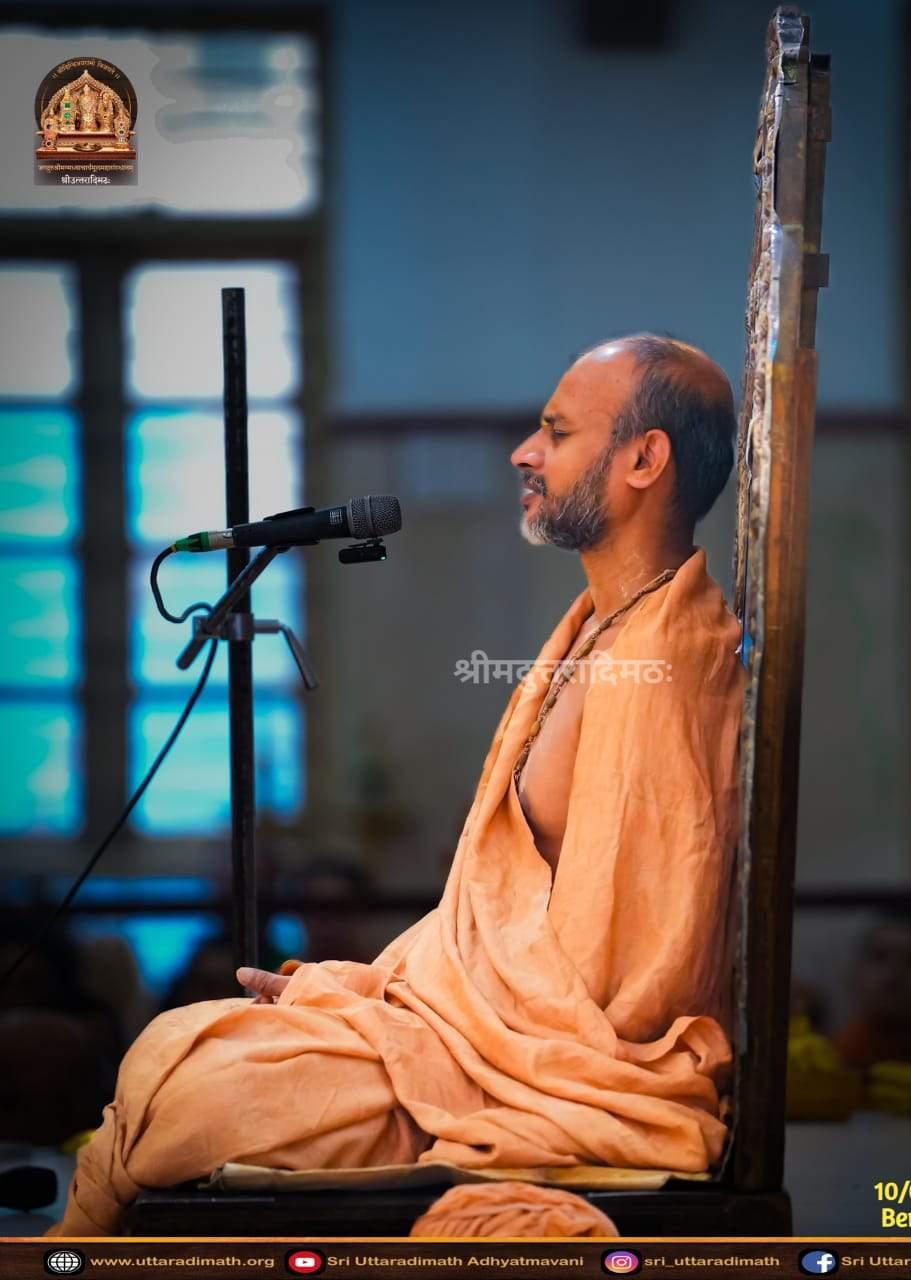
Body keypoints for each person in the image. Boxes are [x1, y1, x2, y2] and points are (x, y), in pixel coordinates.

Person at [49, 334, 746, 1236]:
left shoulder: (660, 659)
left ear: (643, 459)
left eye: (556, 433)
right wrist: (370, 990)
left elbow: (627, 977)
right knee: (183, 1051)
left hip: (534, 1069)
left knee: (191, 1082)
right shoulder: (602, 626)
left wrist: (407, 1020)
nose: (523, 454)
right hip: (475, 1036)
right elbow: (508, 919)